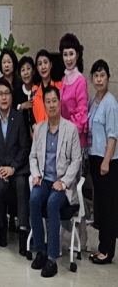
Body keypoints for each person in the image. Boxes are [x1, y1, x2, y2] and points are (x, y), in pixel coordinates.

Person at [29, 85, 82, 278]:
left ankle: (52, 258)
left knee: (52, 203)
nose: (51, 105)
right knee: (34, 199)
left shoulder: (70, 129)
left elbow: (76, 160)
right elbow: (33, 156)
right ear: (44, 105)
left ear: (60, 103)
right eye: (48, 102)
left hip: (61, 184)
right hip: (44, 180)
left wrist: (65, 182)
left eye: (54, 101)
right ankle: (40, 251)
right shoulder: (40, 129)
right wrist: (36, 174)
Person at [0, 78, 31, 255]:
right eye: (0, 94)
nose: (4, 97)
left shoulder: (18, 118)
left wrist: (12, 168)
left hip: (17, 168)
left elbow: (24, 147)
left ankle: (23, 232)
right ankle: (1, 230)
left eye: (6, 94)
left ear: (11, 97)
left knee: (21, 184)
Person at [87, 60, 118, 264]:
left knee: (109, 207)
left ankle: (107, 251)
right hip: (94, 157)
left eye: (102, 76)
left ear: (108, 78)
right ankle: (101, 247)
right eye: (96, 76)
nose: (99, 79)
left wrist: (106, 161)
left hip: (108, 161)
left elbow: (112, 136)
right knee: (100, 205)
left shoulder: (110, 103)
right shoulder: (93, 101)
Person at [59, 33, 89, 149]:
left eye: (71, 54)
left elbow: (82, 114)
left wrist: (66, 131)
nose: (68, 59)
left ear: (77, 55)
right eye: (65, 54)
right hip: (63, 137)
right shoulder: (63, 79)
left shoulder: (80, 80)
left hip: (76, 140)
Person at [0, 49, 25, 114]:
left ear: (13, 64)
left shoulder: (21, 83)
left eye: (9, 62)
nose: (6, 65)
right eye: (4, 62)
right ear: (1, 65)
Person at [31, 49, 62, 124]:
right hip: (40, 130)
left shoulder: (60, 86)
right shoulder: (34, 91)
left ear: (50, 65)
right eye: (40, 64)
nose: (43, 67)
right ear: (37, 68)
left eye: (45, 62)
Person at [17, 55, 36, 135]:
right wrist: (21, 106)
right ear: (20, 74)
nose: (26, 73)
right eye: (23, 70)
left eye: (28, 68)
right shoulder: (16, 92)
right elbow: (12, 112)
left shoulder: (38, 90)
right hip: (21, 134)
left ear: (33, 71)